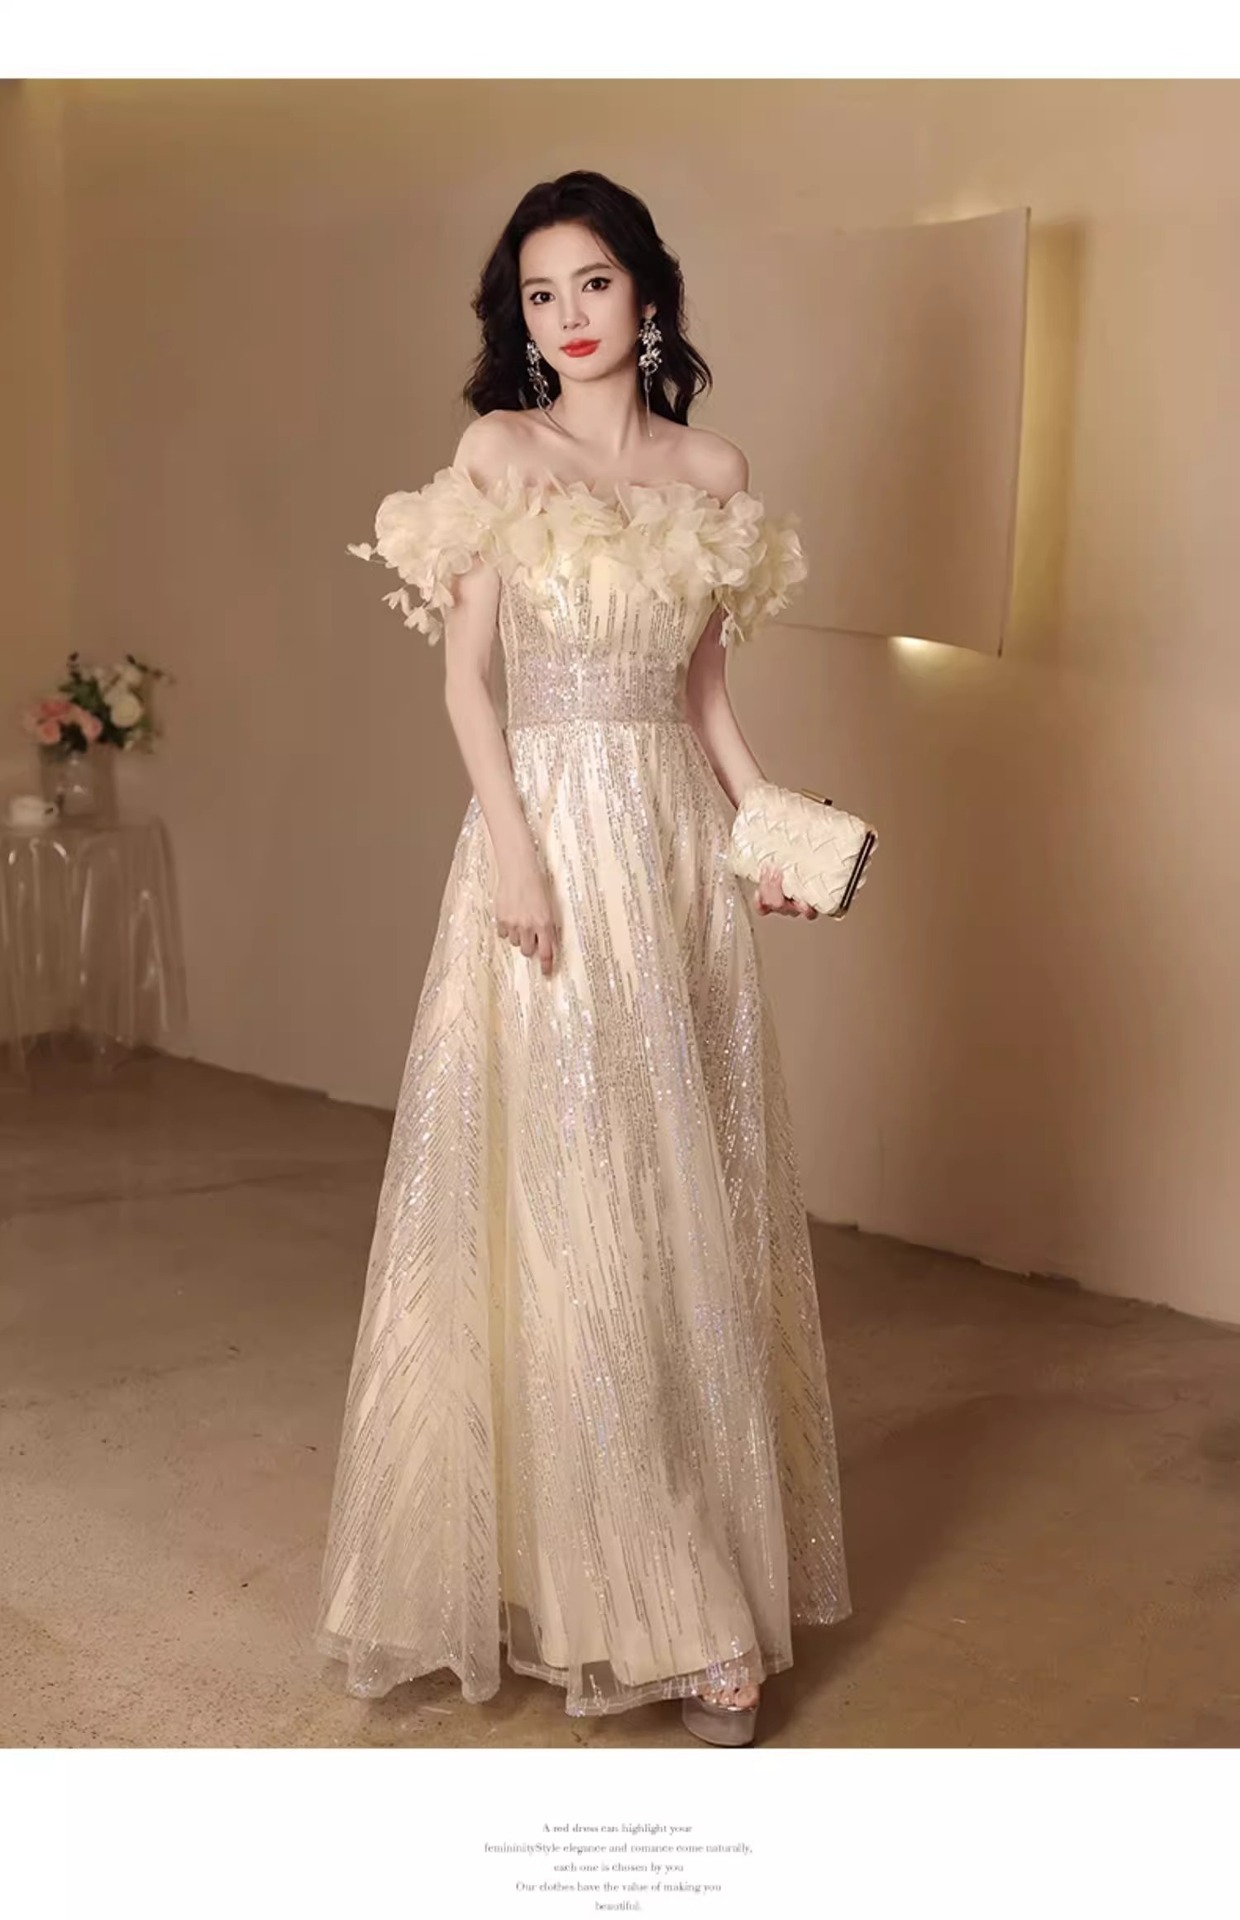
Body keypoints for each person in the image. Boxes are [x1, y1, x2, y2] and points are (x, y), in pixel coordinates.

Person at [315, 169, 851, 1748]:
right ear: (520, 317)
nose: (567, 316)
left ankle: (694, 1589)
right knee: (566, 1203)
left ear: (648, 295)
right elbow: (467, 684)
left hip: (672, 853)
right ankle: (631, 1596)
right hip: (542, 844)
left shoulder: (711, 471)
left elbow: (704, 701)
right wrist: (517, 852)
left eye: (593, 284)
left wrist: (769, 831)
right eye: (540, 294)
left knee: (679, 1204)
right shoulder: (501, 450)